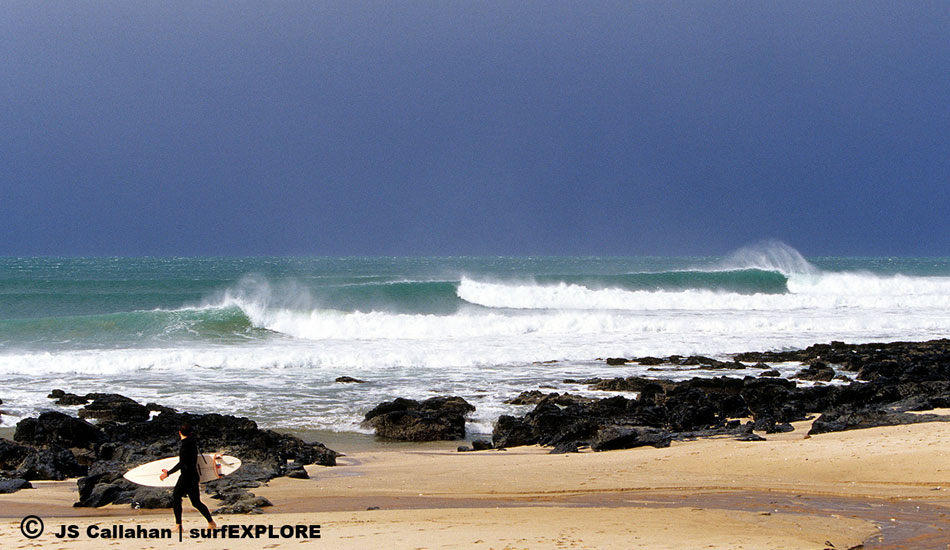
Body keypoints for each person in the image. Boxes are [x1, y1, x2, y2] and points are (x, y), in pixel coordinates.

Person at [159, 423, 217, 532]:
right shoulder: (193, 443)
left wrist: (168, 473)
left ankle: (178, 526)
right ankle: (211, 523)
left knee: (176, 497)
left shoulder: (186, 445)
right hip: (193, 475)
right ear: (190, 433)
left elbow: (182, 463)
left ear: (179, 433)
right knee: (195, 502)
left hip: (186, 476)